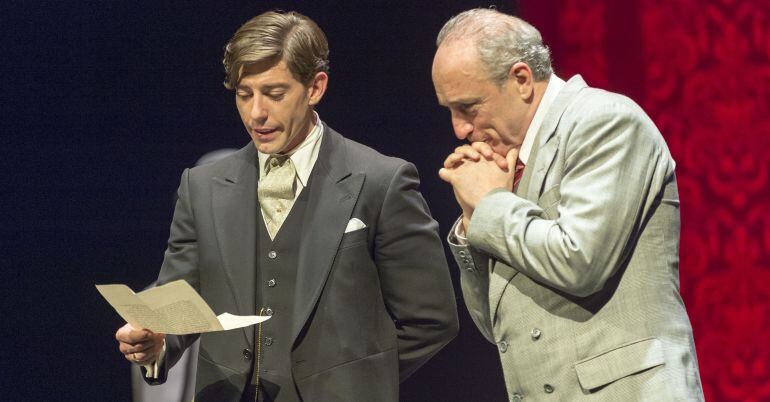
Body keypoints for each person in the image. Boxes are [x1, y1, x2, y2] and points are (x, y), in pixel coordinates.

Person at [115, 10, 458, 402]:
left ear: (315, 88)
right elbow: (180, 301)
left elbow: (431, 319)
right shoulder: (202, 186)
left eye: (274, 94)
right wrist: (156, 344)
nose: (256, 112)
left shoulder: (381, 181)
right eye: (244, 95)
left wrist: (356, 379)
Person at [433, 8, 703, 401]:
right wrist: (474, 220)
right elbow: (496, 325)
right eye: (451, 111)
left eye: (469, 108)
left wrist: (490, 202)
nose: (459, 129)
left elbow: (579, 261)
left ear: (521, 79)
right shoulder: (507, 161)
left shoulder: (604, 121)